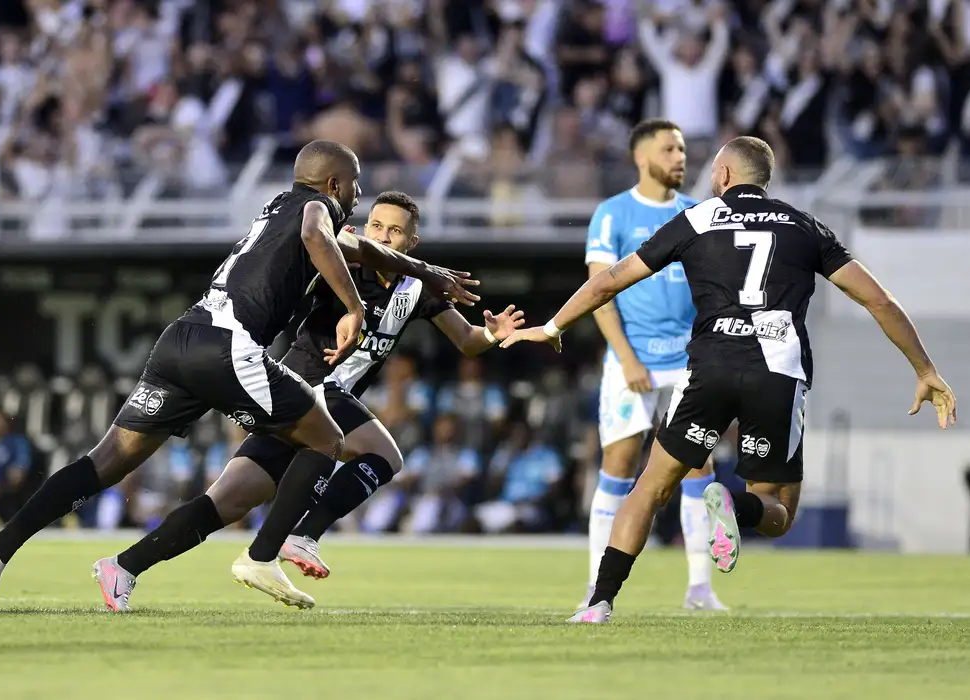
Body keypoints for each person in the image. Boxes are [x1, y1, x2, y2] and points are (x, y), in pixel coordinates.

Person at [0, 142, 480, 611]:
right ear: (335, 185)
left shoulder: (279, 206)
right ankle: (266, 554)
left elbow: (362, 250)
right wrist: (352, 307)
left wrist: (424, 272)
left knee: (107, 462)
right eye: (356, 187)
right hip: (228, 347)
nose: (358, 198)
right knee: (326, 438)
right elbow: (319, 234)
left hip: (183, 338)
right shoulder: (314, 210)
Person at [502, 136, 957, 623]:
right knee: (776, 510)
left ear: (722, 176)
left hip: (709, 368)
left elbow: (610, 279)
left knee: (650, 487)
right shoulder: (804, 226)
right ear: (765, 179)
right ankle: (736, 507)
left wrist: (553, 327)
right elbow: (879, 301)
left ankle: (599, 604)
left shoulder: (697, 218)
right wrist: (925, 369)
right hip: (778, 372)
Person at [90, 191, 525, 611]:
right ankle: (291, 541)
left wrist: (492, 332)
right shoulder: (345, 266)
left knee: (227, 502)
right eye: (376, 225)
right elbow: (321, 244)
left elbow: (467, 341)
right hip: (303, 388)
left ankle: (123, 567)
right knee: (385, 455)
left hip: (309, 410)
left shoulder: (418, 288)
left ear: (413, 243)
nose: (383, 236)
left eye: (395, 231)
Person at [583, 118, 725, 610]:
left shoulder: (699, 213)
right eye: (669, 149)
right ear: (643, 158)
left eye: (683, 149)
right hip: (633, 362)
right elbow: (600, 293)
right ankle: (593, 586)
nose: (680, 158)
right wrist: (625, 359)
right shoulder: (613, 213)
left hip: (688, 362)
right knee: (619, 467)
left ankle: (700, 589)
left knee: (696, 467)